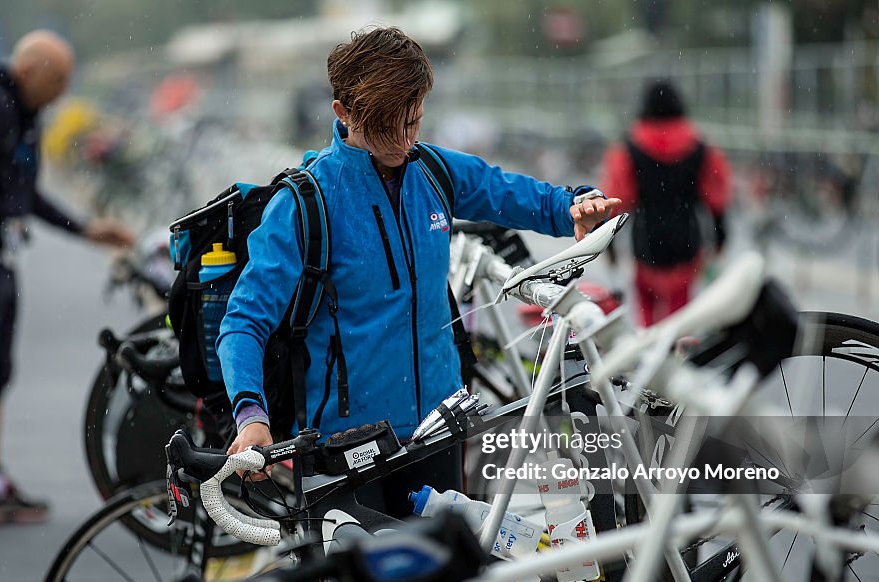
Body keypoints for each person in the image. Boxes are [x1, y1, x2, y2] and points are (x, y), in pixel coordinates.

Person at [217, 27, 619, 515]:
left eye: (416, 121)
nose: (408, 140)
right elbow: (243, 321)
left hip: (439, 428)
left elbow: (505, 191)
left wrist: (570, 206)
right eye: (392, 127)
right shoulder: (303, 204)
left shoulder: (433, 171)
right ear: (343, 113)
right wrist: (250, 416)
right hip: (343, 449)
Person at [0, 30, 135, 536]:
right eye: (59, 79)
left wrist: (87, 229)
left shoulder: (21, 116)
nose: (64, 90)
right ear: (30, 69)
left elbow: (25, 196)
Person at [600, 79, 732, 326]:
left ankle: (649, 354)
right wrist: (720, 238)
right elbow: (717, 198)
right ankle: (675, 356)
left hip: (646, 243)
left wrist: (609, 247)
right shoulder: (700, 147)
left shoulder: (629, 147)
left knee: (648, 319)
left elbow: (615, 201)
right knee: (679, 320)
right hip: (686, 245)